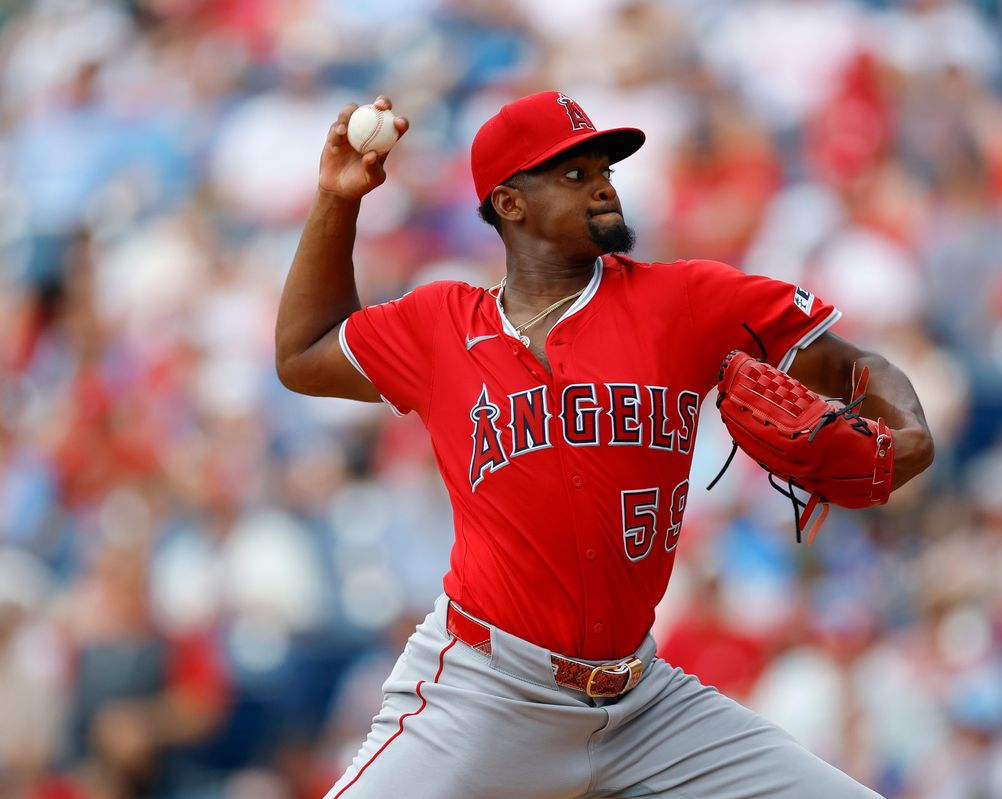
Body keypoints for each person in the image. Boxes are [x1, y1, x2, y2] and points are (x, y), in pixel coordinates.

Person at [275, 90, 934, 799]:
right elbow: (304, 353)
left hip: (645, 707)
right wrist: (337, 200)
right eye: (572, 172)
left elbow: (853, 364)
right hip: (487, 692)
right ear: (509, 202)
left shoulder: (685, 300)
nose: (601, 184)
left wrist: (908, 436)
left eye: (604, 169)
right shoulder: (440, 325)